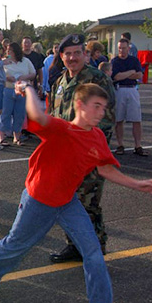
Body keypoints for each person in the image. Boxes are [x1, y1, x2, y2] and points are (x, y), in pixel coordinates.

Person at [0, 82, 152, 303]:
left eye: (104, 107)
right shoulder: (61, 129)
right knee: (16, 244)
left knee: (93, 252)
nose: (101, 112)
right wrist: (29, 90)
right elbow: (36, 116)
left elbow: (105, 168)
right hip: (38, 200)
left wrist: (137, 184)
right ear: (80, 105)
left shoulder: (97, 137)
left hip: (67, 202)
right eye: (96, 106)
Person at [47, 34, 116, 263]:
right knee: (68, 203)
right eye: (68, 53)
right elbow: (54, 118)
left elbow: (105, 120)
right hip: (64, 158)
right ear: (62, 56)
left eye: (77, 52)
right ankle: (74, 246)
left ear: (85, 54)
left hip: (88, 157)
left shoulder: (97, 80)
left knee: (89, 204)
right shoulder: (59, 82)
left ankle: (95, 249)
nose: (73, 57)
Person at [111, 38, 148, 156]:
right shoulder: (114, 61)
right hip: (119, 90)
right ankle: (120, 145)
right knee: (119, 120)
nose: (121, 50)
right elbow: (117, 77)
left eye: (124, 48)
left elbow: (139, 75)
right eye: (119, 48)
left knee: (136, 119)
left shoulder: (134, 60)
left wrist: (126, 74)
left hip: (132, 90)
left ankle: (138, 145)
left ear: (128, 48)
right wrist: (130, 72)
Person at [0, 42, 36, 146]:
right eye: (7, 50)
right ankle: (2, 137)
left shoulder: (25, 61)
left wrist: (25, 77)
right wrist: (7, 78)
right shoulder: (4, 62)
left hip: (22, 90)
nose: (8, 52)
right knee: (5, 113)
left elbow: (33, 73)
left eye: (10, 50)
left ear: (16, 51)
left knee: (19, 114)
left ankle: (17, 137)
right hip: (8, 89)